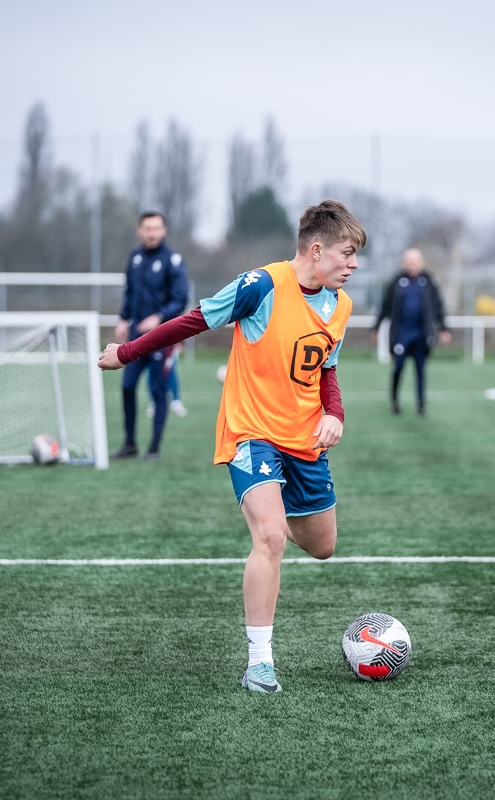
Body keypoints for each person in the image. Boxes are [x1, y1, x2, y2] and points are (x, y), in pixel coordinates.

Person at [99, 200, 363, 693]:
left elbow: (326, 369)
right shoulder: (260, 285)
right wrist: (127, 353)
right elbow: (193, 321)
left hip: (304, 438)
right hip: (251, 431)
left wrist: (335, 414)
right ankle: (260, 664)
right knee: (271, 538)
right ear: (316, 249)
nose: (354, 265)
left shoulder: (340, 305)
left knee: (323, 546)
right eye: (347, 254)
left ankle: (272, 509)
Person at [113, 212, 190, 459]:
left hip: (162, 338)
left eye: (156, 228)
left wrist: (159, 317)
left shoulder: (173, 260)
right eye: (147, 228)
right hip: (136, 337)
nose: (152, 232)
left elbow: (180, 299)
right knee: (127, 386)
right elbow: (130, 293)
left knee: (158, 390)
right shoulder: (135, 258)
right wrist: (123, 319)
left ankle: (154, 447)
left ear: (164, 230)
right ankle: (130, 444)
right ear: (140, 231)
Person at [370, 247, 451, 415]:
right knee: (398, 368)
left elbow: (438, 306)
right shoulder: (396, 282)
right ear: (404, 263)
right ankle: (394, 400)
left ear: (421, 262)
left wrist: (443, 328)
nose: (411, 264)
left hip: (421, 335)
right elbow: (385, 306)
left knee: (420, 370)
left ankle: (421, 405)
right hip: (401, 335)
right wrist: (376, 328)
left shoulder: (428, 281)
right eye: (408, 261)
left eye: (414, 261)